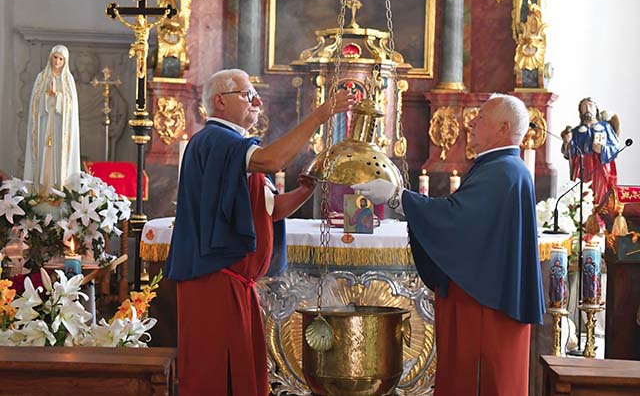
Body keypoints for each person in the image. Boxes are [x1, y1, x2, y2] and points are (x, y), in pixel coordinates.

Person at [164, 68, 355, 395]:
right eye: (247, 94)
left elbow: (269, 210)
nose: (257, 101)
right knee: (216, 377)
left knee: (241, 374)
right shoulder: (216, 139)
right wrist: (320, 116)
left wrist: (307, 190)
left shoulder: (235, 146)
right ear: (220, 102)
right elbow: (271, 161)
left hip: (234, 282)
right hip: (214, 281)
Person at [353, 94, 545, 396]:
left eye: (481, 118)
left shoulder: (502, 171)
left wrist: (397, 197)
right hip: (488, 297)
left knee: (476, 382)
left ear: (503, 127)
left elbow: (456, 220)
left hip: (483, 305)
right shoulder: (504, 168)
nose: (471, 122)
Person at [23, 45, 80, 193]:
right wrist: (47, 97)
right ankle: (41, 192)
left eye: (61, 59)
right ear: (50, 57)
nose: (57, 61)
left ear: (65, 61)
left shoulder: (68, 80)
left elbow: (71, 107)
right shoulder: (41, 78)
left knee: (58, 159)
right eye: (55, 57)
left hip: (61, 127)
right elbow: (35, 104)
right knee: (44, 157)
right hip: (44, 124)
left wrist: (58, 96)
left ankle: (59, 191)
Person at [561, 97, 620, 203]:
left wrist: (602, 149)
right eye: (584, 106)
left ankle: (600, 217)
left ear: (596, 109)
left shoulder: (605, 127)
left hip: (599, 166)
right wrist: (567, 143)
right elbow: (569, 153)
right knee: (582, 196)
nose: (587, 108)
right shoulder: (576, 131)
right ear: (580, 112)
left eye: (590, 106)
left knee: (601, 194)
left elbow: (615, 147)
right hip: (582, 166)